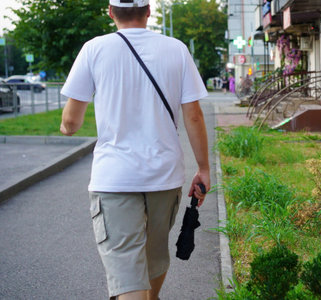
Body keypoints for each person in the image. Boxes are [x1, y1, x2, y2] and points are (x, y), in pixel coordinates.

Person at [59, 0, 210, 299]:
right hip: (164, 178)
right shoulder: (176, 49)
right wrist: (203, 168)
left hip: (114, 180)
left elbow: (71, 122)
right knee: (154, 261)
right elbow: (193, 115)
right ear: (149, 11)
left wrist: (65, 127)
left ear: (111, 11)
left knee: (128, 273)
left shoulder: (94, 49)